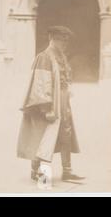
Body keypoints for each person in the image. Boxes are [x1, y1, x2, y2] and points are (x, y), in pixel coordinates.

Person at [17, 26, 84, 182]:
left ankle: (67, 171)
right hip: (49, 103)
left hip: (63, 102)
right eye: (62, 40)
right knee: (44, 136)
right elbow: (40, 84)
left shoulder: (61, 57)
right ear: (52, 39)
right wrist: (46, 108)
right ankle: (36, 171)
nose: (65, 44)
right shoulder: (44, 57)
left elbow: (66, 77)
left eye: (66, 41)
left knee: (65, 134)